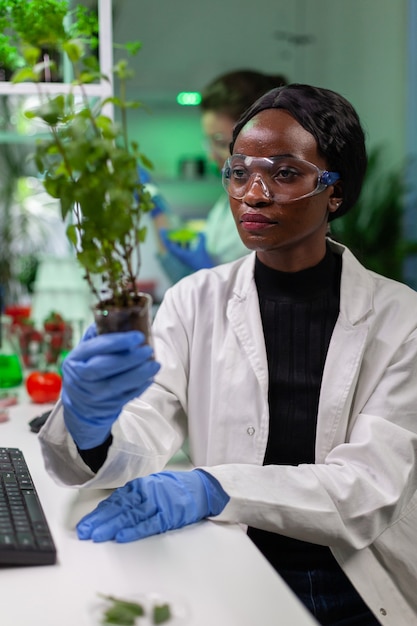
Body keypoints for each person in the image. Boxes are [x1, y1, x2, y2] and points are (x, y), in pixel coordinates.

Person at [39, 84, 417, 626]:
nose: (254, 194)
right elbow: (148, 424)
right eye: (239, 172)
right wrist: (90, 422)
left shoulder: (403, 319)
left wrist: (214, 486)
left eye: (284, 173)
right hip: (230, 557)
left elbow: (369, 488)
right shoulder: (195, 299)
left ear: (334, 191)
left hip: (352, 580)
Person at [152, 69, 288, 282]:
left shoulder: (278, 213)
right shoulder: (225, 205)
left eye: (220, 142)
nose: (210, 155)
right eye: (209, 142)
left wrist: (210, 274)